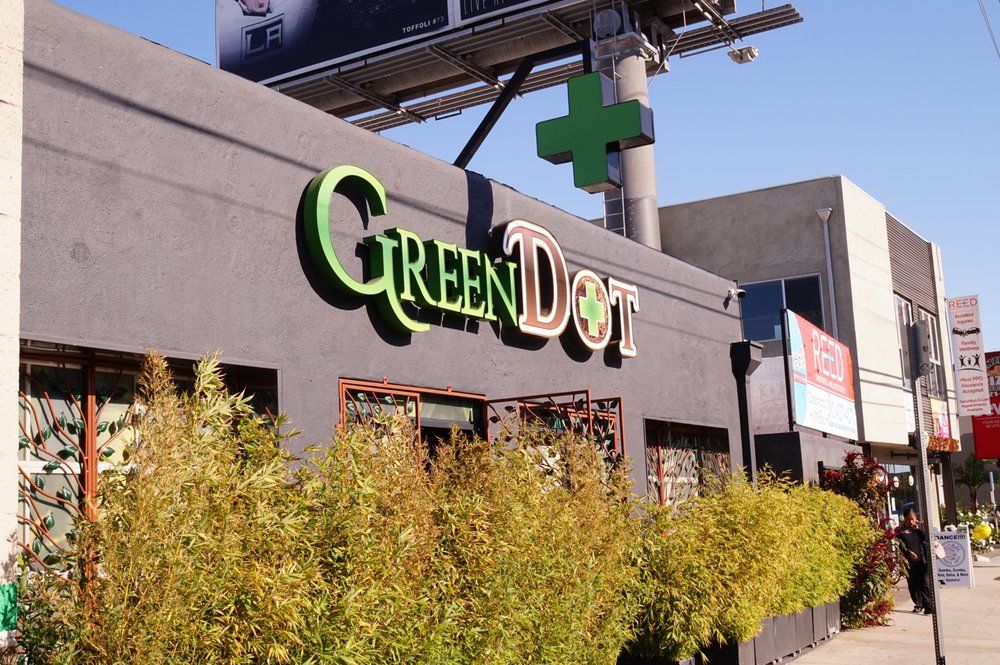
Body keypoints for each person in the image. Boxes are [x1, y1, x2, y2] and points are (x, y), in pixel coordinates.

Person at [896, 507, 932, 615]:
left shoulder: (921, 526)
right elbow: (899, 546)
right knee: (913, 584)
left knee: (924, 582)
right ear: (904, 519)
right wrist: (908, 552)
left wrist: (919, 530)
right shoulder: (900, 530)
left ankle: (928, 605)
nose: (911, 521)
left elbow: (927, 539)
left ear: (916, 518)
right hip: (909, 561)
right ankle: (918, 604)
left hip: (922, 560)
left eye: (912, 519)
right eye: (908, 519)